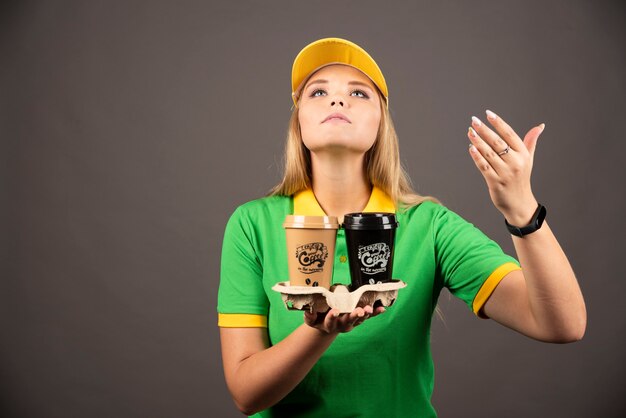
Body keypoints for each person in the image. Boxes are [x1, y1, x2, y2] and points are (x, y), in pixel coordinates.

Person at [217, 37, 586, 417]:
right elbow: (247, 394)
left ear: (381, 122)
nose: (337, 100)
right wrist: (320, 330)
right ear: (299, 120)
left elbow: (563, 324)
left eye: (359, 93)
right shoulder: (252, 224)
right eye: (318, 91)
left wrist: (521, 208)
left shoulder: (430, 226)